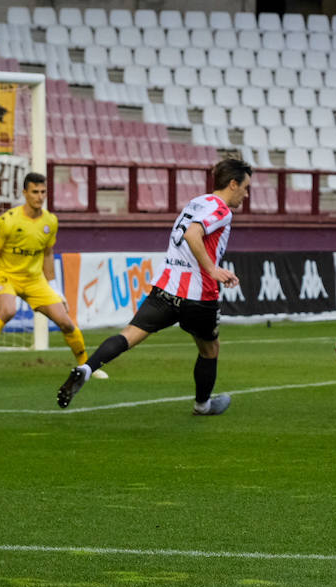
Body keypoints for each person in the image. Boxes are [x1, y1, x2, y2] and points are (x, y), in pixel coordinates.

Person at [56, 157, 252, 414]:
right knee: (209, 349)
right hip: (198, 294)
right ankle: (203, 405)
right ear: (233, 184)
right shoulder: (222, 210)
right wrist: (212, 269)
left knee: (129, 335)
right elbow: (193, 234)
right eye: (246, 188)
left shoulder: (195, 202)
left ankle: (87, 368)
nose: (246, 195)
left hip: (166, 288)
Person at [0, 172, 104, 379]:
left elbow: (47, 254)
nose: (39, 196)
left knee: (65, 322)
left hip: (34, 280)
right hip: (7, 276)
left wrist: (55, 289)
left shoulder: (50, 221)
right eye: (35, 192)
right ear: (25, 193)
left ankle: (87, 367)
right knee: (8, 310)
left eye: (43, 192)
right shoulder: (7, 221)